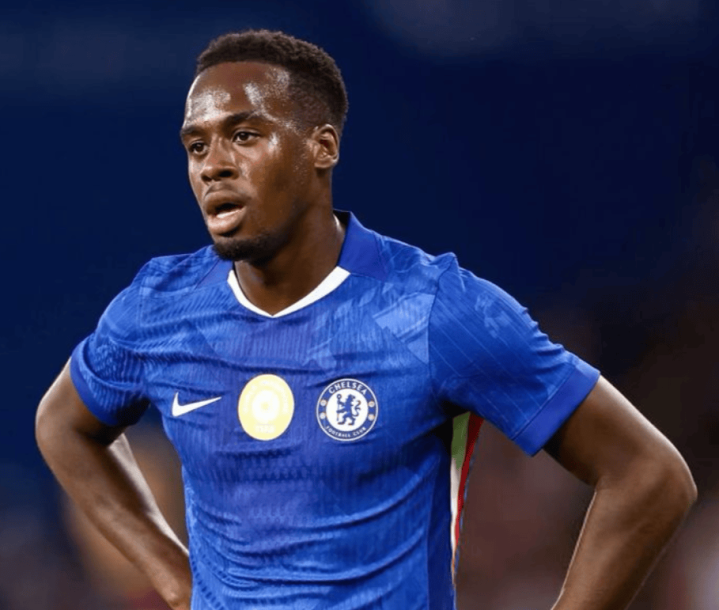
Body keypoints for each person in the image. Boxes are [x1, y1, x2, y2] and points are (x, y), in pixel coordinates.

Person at [35, 29, 696, 610]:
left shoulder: (432, 308)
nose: (214, 165)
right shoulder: (162, 307)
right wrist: (178, 582)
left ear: (321, 147)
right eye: (196, 145)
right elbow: (63, 425)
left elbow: (649, 476)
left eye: (244, 135)